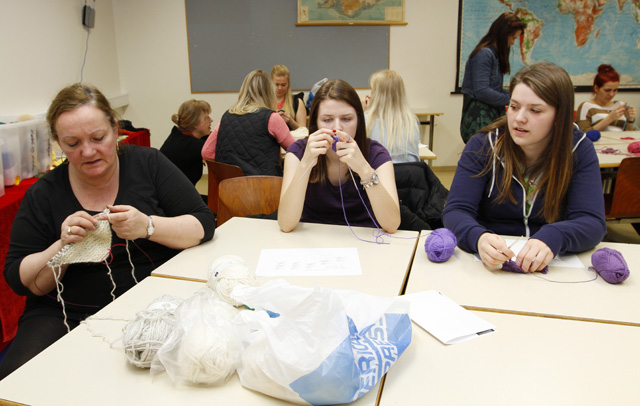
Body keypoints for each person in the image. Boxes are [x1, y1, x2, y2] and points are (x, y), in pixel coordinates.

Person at [0, 83, 216, 380]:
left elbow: (203, 224)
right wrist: (62, 247)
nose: (88, 151)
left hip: (150, 300)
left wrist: (148, 226)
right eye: (72, 143)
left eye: (98, 138)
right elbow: (20, 279)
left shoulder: (148, 164)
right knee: (17, 380)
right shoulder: (44, 193)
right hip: (64, 310)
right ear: (58, 143)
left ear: (115, 130)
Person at [443, 62, 606, 273]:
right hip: (491, 267)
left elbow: (592, 222)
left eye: (535, 110)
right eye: (514, 107)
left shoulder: (578, 149)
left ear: (560, 116)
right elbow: (456, 210)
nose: (519, 118)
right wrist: (478, 237)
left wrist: (555, 236)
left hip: (553, 268)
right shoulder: (484, 145)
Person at [278, 79, 400, 234]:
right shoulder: (298, 152)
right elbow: (286, 224)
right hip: (311, 239)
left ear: (358, 120)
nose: (337, 128)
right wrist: (305, 164)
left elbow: (392, 225)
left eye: (346, 119)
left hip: (364, 239)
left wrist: (364, 170)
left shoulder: (376, 154)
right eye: (327, 120)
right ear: (316, 122)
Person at [201, 69, 295, 176]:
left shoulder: (227, 116)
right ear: (269, 92)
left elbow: (206, 152)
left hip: (228, 183)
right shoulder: (272, 118)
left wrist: (234, 164)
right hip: (263, 183)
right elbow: (296, 150)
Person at [460, 12, 527, 143]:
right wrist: (512, 100)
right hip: (480, 118)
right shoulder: (484, 54)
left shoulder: (494, 55)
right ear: (503, 34)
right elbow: (482, 91)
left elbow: (495, 88)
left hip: (490, 115)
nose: (512, 42)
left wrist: (516, 97)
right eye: (512, 38)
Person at [363, 70, 421, 163]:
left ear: (376, 95)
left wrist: (364, 112)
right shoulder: (411, 120)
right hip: (411, 171)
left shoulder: (366, 121)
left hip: (379, 172)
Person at [160, 99, 212, 186]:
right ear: (195, 124)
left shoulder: (178, 135)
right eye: (207, 118)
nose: (211, 120)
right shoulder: (191, 145)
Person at [576, 64, 637, 132]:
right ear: (596, 88)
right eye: (607, 90)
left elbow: (629, 133)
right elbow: (583, 134)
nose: (612, 94)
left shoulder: (620, 105)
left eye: (615, 90)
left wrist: (630, 120)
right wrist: (609, 118)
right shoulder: (586, 106)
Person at [271, 65, 307, 130]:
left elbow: (303, 130)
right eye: (276, 84)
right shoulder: (264, 101)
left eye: (283, 85)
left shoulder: (297, 102)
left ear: (288, 84)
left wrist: (291, 121)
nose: (279, 88)